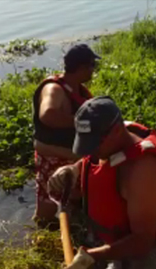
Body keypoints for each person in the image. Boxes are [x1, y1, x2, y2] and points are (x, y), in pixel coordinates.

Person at [47, 96, 156, 269]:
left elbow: (142, 241)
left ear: (117, 131)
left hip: (140, 255)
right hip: (116, 239)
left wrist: (89, 257)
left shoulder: (142, 172)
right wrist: (73, 169)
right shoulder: (113, 138)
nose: (90, 151)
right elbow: (96, 158)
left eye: (93, 145)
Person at [31, 43, 99, 225]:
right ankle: (44, 227)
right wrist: (82, 122)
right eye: (93, 66)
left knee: (77, 197)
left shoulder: (77, 89)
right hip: (54, 155)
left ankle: (71, 226)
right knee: (49, 200)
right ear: (83, 67)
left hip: (75, 155)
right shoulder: (54, 89)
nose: (93, 71)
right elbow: (47, 114)